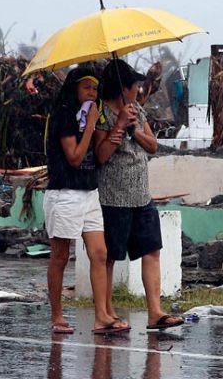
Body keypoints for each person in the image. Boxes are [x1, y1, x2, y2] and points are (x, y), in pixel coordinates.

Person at [94, 59, 184, 330]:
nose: (138, 89)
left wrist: (133, 129)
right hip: (114, 197)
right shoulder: (101, 115)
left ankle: (155, 312)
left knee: (151, 250)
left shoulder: (137, 111)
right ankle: (107, 312)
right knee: (110, 257)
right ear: (123, 88)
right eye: (134, 85)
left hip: (141, 195)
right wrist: (119, 127)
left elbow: (153, 145)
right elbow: (100, 155)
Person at [44, 67, 129, 334]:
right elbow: (75, 158)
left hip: (89, 191)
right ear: (74, 89)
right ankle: (57, 316)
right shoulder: (64, 116)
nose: (92, 93)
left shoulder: (92, 115)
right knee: (60, 256)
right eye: (86, 88)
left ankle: (102, 316)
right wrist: (91, 125)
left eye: (95, 88)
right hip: (65, 193)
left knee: (100, 253)